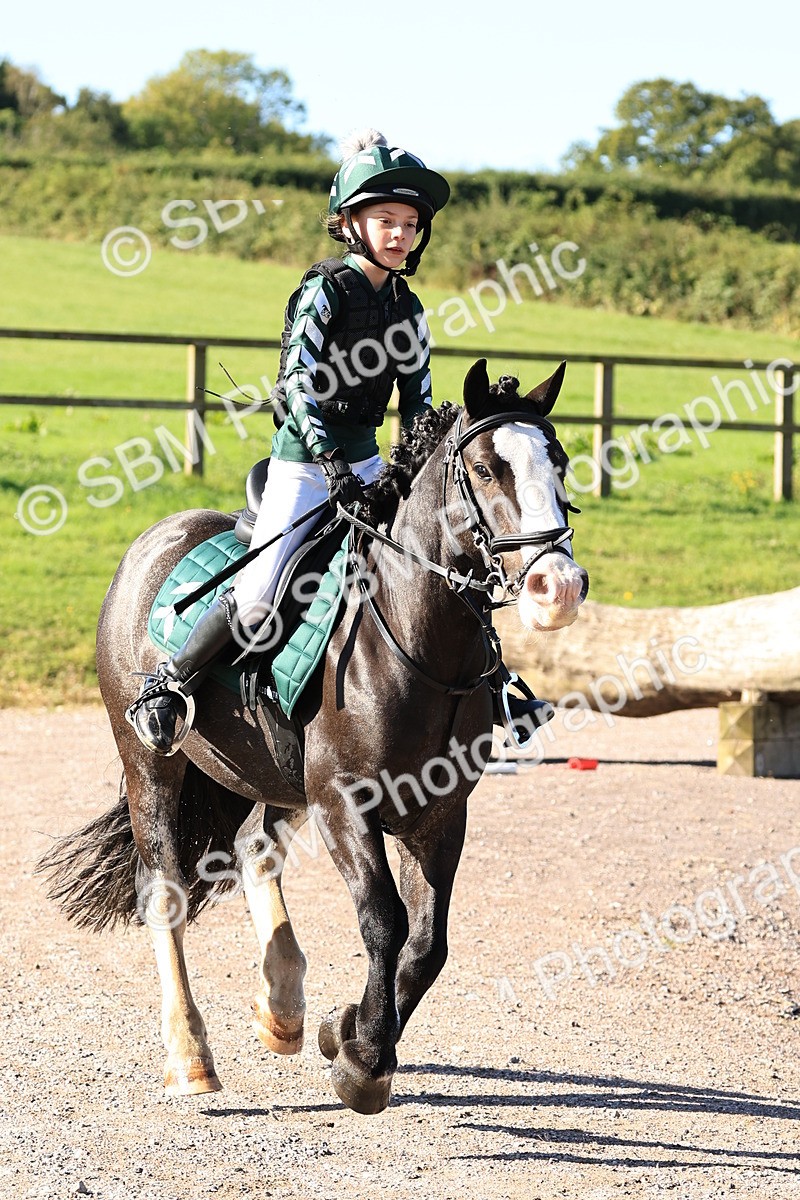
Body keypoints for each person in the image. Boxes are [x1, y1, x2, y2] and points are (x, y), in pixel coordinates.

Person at [129, 129, 554, 755]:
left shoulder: (409, 308)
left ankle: (496, 688)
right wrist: (332, 466)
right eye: (386, 220)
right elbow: (297, 388)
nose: (400, 234)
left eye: (410, 224)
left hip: (369, 463)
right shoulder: (323, 291)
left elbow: (417, 404)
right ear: (351, 222)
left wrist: (411, 468)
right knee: (259, 595)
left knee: (443, 570)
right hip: (304, 466)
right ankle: (168, 686)